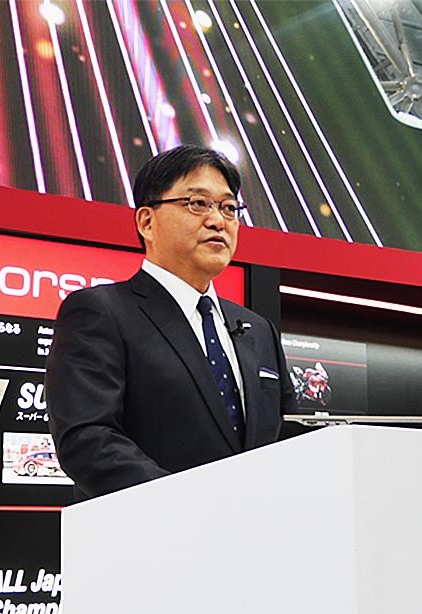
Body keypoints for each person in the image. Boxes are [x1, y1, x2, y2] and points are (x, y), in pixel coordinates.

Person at [47, 145, 295, 500]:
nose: (218, 221)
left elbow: (287, 436)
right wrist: (188, 505)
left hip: (260, 526)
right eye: (197, 203)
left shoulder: (257, 328)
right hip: (152, 528)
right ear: (147, 222)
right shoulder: (101, 312)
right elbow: (88, 439)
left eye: (228, 208)